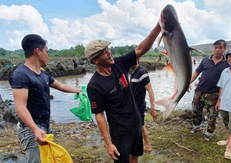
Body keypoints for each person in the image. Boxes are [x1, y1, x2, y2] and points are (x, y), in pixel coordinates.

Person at [86, 22, 161, 163]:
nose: (109, 53)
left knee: (135, 156)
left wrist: (159, 26)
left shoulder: (119, 64)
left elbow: (140, 50)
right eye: (103, 52)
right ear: (95, 60)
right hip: (120, 132)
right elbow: (100, 115)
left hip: (136, 122)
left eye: (108, 49)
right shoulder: (94, 86)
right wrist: (109, 144)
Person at [9, 34, 81, 163]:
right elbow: (20, 107)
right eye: (46, 52)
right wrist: (35, 129)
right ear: (38, 51)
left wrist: (78, 91)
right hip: (30, 129)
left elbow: (59, 85)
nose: (48, 56)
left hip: (45, 126)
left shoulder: (42, 73)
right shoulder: (21, 75)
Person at [189, 39, 229, 141]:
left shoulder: (226, 64)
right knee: (195, 109)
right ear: (213, 48)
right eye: (215, 47)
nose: (217, 50)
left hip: (214, 93)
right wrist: (188, 83)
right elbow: (197, 72)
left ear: (224, 49)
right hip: (200, 90)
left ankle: (209, 132)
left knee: (212, 114)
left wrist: (221, 99)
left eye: (220, 48)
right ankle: (196, 126)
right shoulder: (205, 60)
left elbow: (226, 81)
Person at [130, 59, 158, 152]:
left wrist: (153, 108)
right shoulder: (133, 73)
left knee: (141, 125)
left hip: (139, 105)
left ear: (137, 60)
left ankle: (148, 145)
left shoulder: (141, 72)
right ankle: (140, 143)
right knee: (137, 126)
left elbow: (150, 90)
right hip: (133, 106)